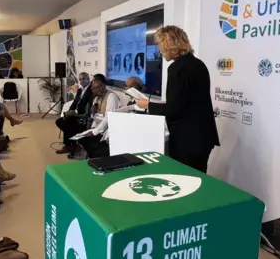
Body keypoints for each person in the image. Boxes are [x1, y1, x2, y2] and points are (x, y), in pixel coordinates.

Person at [136, 25, 219, 173]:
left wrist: (148, 105)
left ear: (170, 45)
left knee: (185, 182)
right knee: (198, 179)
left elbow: (175, 109)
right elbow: (187, 101)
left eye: (161, 45)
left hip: (187, 140)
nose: (159, 51)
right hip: (203, 136)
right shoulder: (198, 64)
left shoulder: (177, 69)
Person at [75, 78, 121, 159]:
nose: (93, 91)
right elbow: (96, 117)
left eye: (95, 88)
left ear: (102, 86)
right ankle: (91, 157)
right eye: (92, 89)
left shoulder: (111, 97)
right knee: (81, 138)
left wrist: (95, 131)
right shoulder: (97, 98)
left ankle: (94, 158)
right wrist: (93, 113)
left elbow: (109, 118)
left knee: (91, 143)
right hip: (97, 127)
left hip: (107, 131)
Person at [55, 72, 93, 155]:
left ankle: (69, 145)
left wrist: (74, 112)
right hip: (74, 114)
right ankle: (71, 144)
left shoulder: (91, 90)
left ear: (88, 79)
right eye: (80, 79)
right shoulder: (80, 90)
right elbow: (74, 103)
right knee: (60, 121)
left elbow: (88, 106)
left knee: (67, 124)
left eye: (83, 79)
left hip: (82, 115)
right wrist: (69, 112)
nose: (82, 81)